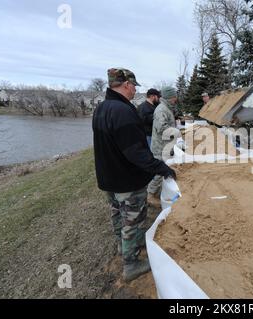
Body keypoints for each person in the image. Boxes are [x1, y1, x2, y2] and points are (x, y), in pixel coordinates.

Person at [92, 68, 176, 283]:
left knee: (117, 214)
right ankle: (131, 264)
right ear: (126, 85)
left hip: (108, 177)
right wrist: (161, 167)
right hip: (126, 180)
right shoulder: (122, 111)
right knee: (133, 221)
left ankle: (122, 247)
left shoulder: (101, 108)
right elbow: (135, 152)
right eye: (133, 86)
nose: (134, 90)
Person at [147, 86, 179, 207]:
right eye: (174, 96)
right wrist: (176, 132)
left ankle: (154, 192)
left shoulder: (167, 108)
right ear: (169, 97)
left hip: (165, 145)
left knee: (161, 170)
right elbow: (161, 128)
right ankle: (150, 195)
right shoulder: (161, 110)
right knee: (159, 171)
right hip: (160, 147)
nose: (175, 99)